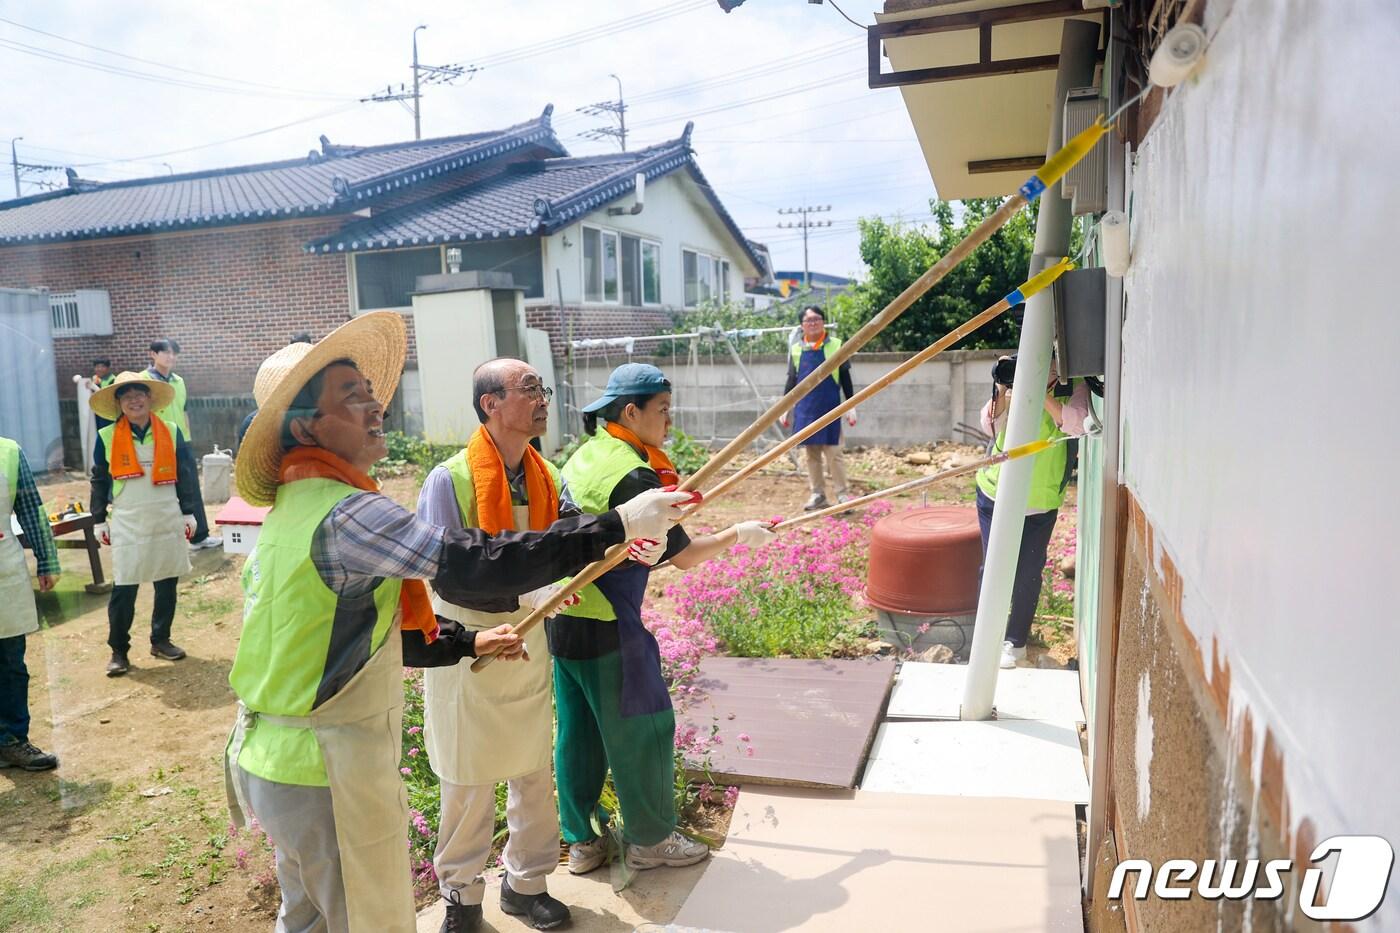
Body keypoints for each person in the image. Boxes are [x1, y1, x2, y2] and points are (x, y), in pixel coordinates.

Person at [223, 314, 692, 933]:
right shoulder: (366, 508)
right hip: (322, 760)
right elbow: (469, 563)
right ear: (308, 425)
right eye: (352, 395)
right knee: (393, 877)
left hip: (290, 748)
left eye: (371, 390)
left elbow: (369, 629)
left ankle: (526, 883)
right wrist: (622, 523)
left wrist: (473, 640)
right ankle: (463, 894)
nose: (376, 405)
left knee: (312, 913)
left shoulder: (295, 506)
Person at [553, 362, 777, 877]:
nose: (669, 423)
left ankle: (582, 842)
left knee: (578, 734)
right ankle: (651, 839)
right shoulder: (634, 475)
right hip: (611, 622)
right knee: (645, 729)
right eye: (663, 412)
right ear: (630, 412)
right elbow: (683, 555)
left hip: (562, 618)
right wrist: (739, 535)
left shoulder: (584, 456)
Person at [417, 358, 583, 932]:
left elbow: (566, 544)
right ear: (490, 404)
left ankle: (526, 884)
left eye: (543, 389)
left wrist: (566, 580)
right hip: (467, 642)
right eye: (529, 389)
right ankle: (461, 898)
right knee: (466, 780)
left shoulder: (548, 474)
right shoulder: (450, 478)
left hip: (528, 636)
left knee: (533, 772)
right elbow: (445, 574)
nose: (542, 400)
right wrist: (487, 629)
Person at [975, 356, 1089, 669]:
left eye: (1053, 358)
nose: (1046, 364)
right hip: (994, 493)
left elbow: (1077, 425)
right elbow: (989, 426)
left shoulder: (1074, 387)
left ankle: (1016, 641)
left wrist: (1040, 394)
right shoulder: (1014, 386)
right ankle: (985, 635)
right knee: (993, 566)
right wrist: (1003, 388)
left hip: (1039, 501)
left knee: (1027, 572)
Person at [89, 372, 200, 676]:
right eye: (126, 396)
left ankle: (161, 640)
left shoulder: (172, 431)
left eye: (139, 393)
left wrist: (189, 512)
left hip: (166, 514)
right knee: (125, 586)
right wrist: (98, 520)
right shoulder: (107, 436)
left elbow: (186, 474)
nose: (134, 400)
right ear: (118, 403)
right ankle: (118, 651)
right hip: (128, 519)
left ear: (150, 398)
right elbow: (99, 479)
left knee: (167, 581)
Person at [0, 436, 61, 771]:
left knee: (11, 663)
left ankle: (13, 740)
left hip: (4, 572)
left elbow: (30, 508)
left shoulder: (9, 452)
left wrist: (47, 559)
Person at [145, 338, 221, 550]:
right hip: (156, 443)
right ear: (152, 354)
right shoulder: (144, 380)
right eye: (165, 352)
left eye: (174, 353)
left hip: (182, 442)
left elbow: (184, 411)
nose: (171, 357)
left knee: (191, 489)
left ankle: (199, 537)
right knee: (161, 491)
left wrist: (187, 438)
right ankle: (167, 540)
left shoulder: (179, 381)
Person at [780, 306, 857, 511]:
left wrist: (851, 405)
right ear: (802, 325)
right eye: (809, 320)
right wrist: (784, 408)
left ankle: (842, 495)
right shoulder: (796, 349)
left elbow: (846, 378)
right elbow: (791, 380)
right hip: (806, 409)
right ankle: (818, 494)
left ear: (823, 322)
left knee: (834, 453)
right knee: (811, 455)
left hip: (830, 407)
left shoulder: (836, 345)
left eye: (817, 319)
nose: (813, 323)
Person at [87, 359, 115, 429]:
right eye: (97, 367)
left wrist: (94, 387)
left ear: (108, 368)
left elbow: (108, 397)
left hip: (108, 412)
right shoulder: (94, 380)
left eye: (102, 366)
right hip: (96, 412)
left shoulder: (113, 380)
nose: (99, 369)